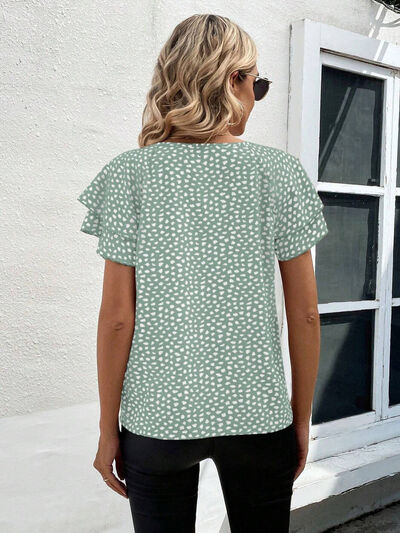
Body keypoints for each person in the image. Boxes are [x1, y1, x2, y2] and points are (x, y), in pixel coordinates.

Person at [77, 13, 329, 533]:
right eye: (257, 83)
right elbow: (305, 314)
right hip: (258, 416)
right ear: (232, 81)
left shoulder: (129, 174)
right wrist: (300, 419)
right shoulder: (278, 172)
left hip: (156, 418)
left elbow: (117, 318)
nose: (257, 96)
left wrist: (107, 429)